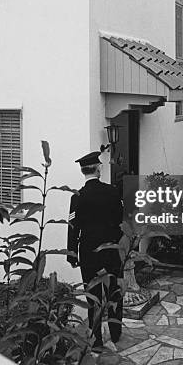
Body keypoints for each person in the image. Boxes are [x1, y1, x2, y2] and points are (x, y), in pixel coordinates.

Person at [67, 150, 123, 350]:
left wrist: (72, 253)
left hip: (88, 253)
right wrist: (115, 241)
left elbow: (73, 227)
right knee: (114, 292)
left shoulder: (77, 197)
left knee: (93, 296)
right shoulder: (113, 191)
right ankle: (115, 334)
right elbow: (120, 221)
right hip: (110, 250)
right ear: (98, 168)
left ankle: (97, 338)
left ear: (83, 171)